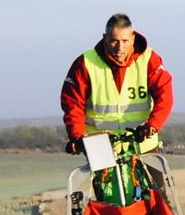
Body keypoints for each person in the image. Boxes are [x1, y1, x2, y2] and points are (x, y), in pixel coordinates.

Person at [60, 13, 173, 156]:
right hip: (100, 145)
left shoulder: (150, 59)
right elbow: (72, 104)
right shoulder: (85, 63)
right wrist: (76, 136)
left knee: (158, 178)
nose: (120, 47)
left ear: (133, 38)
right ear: (104, 38)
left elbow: (165, 95)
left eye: (125, 41)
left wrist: (152, 125)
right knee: (104, 179)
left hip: (143, 143)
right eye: (114, 41)